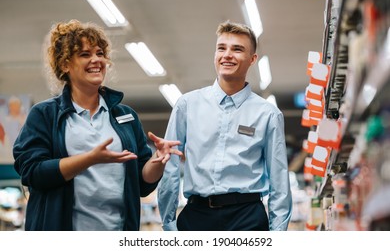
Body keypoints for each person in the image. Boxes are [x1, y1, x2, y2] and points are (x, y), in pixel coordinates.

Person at [13, 19, 182, 231]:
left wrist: (158, 160)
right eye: (85, 54)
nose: (96, 60)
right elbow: (33, 172)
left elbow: (141, 184)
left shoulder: (126, 116)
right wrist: (90, 159)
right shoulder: (45, 114)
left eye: (100, 53)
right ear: (65, 64)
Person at [158, 20, 292, 231]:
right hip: (196, 217)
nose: (227, 55)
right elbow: (170, 166)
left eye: (237, 49)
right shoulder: (187, 105)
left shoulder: (268, 114)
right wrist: (168, 223)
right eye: (222, 48)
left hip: (247, 217)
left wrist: (277, 233)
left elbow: (279, 178)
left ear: (252, 59)